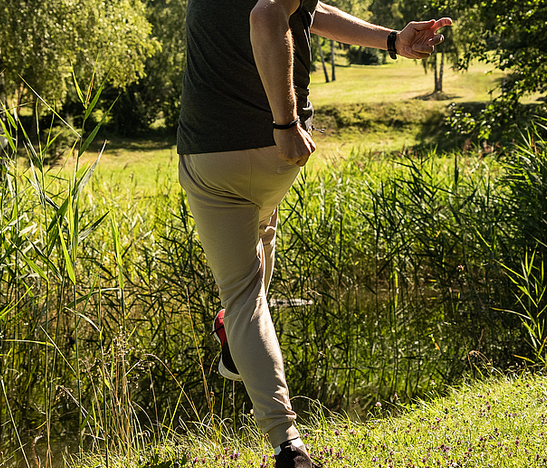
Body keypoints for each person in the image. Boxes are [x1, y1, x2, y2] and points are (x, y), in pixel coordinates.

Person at [176, 0, 452, 464]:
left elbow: (270, 15)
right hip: (275, 159)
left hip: (216, 153)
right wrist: (392, 40)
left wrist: (283, 123)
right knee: (259, 240)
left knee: (243, 295)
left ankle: (288, 446)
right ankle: (232, 336)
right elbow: (298, 9)